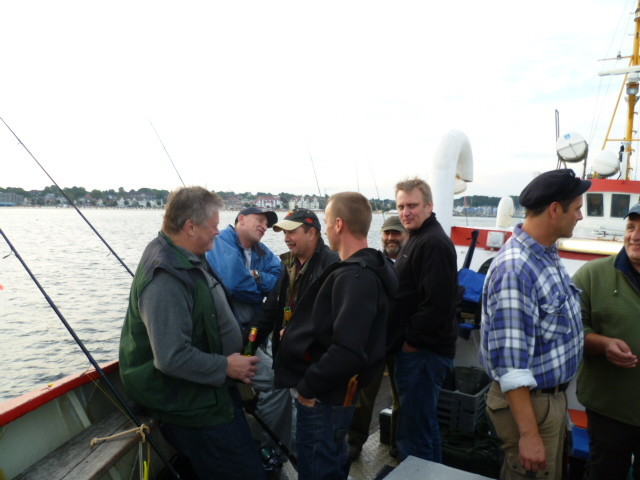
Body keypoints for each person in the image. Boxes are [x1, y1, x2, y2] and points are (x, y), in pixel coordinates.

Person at [118, 186, 265, 480]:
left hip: (209, 386)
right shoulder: (165, 276)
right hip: (187, 401)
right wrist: (226, 366)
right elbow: (171, 357)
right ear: (190, 227)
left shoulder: (188, 254)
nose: (218, 232)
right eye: (213, 226)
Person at [274, 192, 398, 480]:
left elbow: (348, 350)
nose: (327, 229)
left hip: (325, 401)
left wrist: (308, 388)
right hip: (335, 397)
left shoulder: (355, 277)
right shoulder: (371, 269)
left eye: (328, 222)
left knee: (318, 469)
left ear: (339, 224)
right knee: (332, 463)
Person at [479, 168, 589, 480]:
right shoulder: (516, 270)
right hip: (530, 406)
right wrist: (529, 435)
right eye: (576, 208)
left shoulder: (545, 255)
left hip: (549, 400)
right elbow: (512, 367)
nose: (580, 216)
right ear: (555, 210)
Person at [204, 206, 285, 459]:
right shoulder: (221, 242)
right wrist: (262, 290)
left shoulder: (261, 251)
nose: (264, 226)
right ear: (241, 219)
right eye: (259, 220)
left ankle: (267, 443)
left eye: (267, 224)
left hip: (254, 331)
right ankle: (269, 449)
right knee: (277, 383)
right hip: (230, 338)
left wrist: (257, 276)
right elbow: (236, 284)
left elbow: (281, 278)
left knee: (286, 370)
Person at [388, 177, 458, 463]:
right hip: (419, 354)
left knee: (414, 435)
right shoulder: (417, 238)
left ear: (429, 206)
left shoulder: (433, 243)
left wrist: (410, 343)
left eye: (413, 205)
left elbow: (437, 305)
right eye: (401, 207)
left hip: (424, 355)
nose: (406, 212)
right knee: (423, 427)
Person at [572, 202, 640, 480]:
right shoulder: (590, 275)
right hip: (609, 411)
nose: (635, 236)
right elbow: (570, 331)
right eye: (631, 227)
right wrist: (602, 344)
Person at [348, 215, 407, 460]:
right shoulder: (372, 263)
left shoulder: (410, 263)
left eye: (396, 233)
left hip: (401, 343)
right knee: (363, 397)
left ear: (406, 235)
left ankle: (398, 446)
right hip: (373, 343)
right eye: (387, 233)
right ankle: (353, 443)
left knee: (401, 399)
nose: (391, 238)